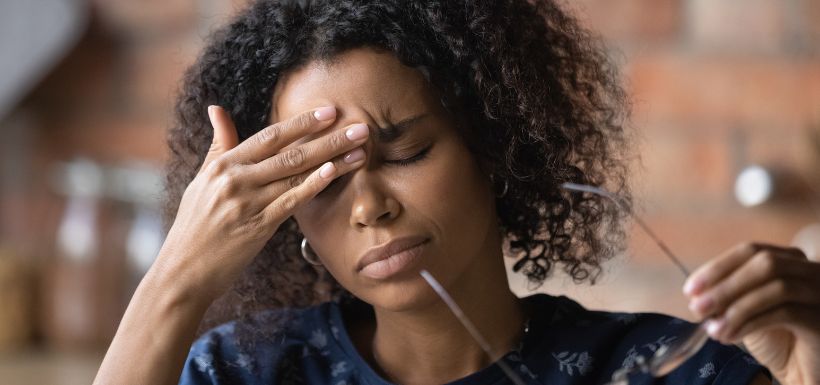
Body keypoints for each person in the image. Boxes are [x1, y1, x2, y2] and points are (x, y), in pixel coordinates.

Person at [93, 1, 820, 384]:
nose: (369, 205)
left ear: (495, 146)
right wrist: (177, 277)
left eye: (405, 149)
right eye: (323, 179)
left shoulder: (655, 368)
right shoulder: (248, 373)